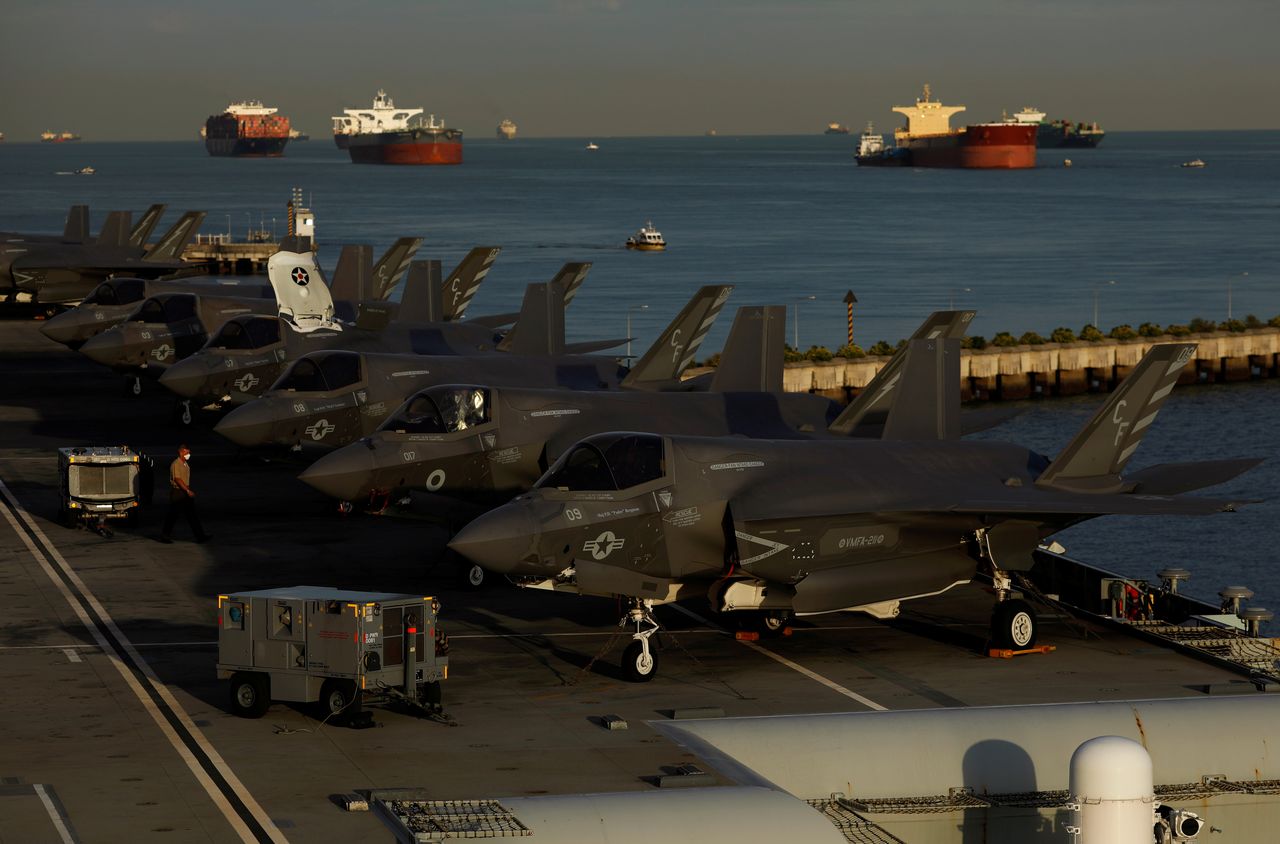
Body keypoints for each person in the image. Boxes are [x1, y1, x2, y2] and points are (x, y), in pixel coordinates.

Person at [161, 444, 209, 543]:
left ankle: (200, 536)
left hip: (184, 492)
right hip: (178, 493)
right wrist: (187, 491)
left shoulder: (185, 464)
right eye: (187, 452)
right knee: (173, 515)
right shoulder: (176, 464)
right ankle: (165, 536)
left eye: (189, 452)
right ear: (181, 452)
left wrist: (187, 490)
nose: (188, 454)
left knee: (192, 515)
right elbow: (177, 479)